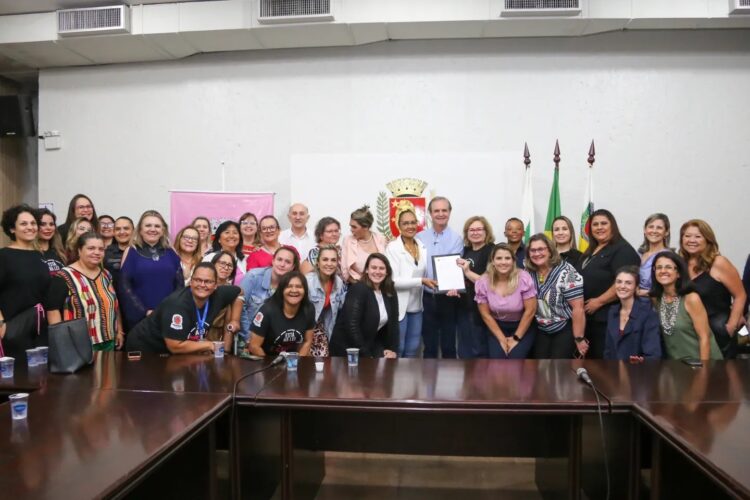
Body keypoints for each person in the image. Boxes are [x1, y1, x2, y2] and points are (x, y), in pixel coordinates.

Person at [126, 263, 243, 355]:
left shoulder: (220, 294)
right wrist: (210, 345)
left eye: (208, 281)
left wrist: (235, 319)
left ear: (216, 285)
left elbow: (240, 293)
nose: (202, 285)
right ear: (191, 282)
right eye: (198, 280)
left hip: (171, 351)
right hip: (144, 348)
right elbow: (175, 346)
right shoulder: (177, 305)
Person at [46, 232, 125, 351]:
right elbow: (53, 311)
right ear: (79, 250)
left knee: (108, 370)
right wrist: (61, 342)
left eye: (101, 249)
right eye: (91, 248)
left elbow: (115, 304)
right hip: (77, 344)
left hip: (109, 341)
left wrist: (119, 330)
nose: (97, 252)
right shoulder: (64, 276)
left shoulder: (106, 274)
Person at [679, 219, 746, 359]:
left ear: (708, 239)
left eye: (698, 236)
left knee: (719, 378)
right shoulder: (680, 263)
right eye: (687, 236)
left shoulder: (719, 262)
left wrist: (731, 326)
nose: (692, 240)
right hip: (691, 335)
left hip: (718, 334)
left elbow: (740, 295)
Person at [578, 209, 640, 359]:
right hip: (589, 318)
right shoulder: (592, 249)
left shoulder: (622, 249)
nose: (599, 227)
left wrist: (599, 302)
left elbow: (623, 282)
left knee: (604, 364)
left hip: (607, 317)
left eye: (604, 223)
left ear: (613, 225)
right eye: (595, 224)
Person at [0, 204, 51, 359]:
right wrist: (2, 324)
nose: (30, 227)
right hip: (14, 328)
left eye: (33, 223)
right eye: (23, 224)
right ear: (12, 229)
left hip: (41, 328)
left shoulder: (39, 255)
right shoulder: (4, 256)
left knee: (41, 377)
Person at [650, 251, 722, 360]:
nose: (663, 271)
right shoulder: (657, 299)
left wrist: (704, 370)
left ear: (678, 273)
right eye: (659, 267)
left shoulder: (691, 298)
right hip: (677, 367)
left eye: (668, 267)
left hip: (703, 364)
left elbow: (704, 337)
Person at [525, 234, 587, 359]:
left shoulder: (567, 272)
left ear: (550, 250)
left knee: (559, 369)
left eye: (541, 249)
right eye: (533, 250)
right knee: (540, 369)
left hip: (564, 328)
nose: (537, 253)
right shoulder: (528, 272)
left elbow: (578, 308)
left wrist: (579, 338)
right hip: (540, 328)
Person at [119, 210, 182, 331]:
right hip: (140, 319)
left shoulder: (171, 252)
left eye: (157, 226)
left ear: (163, 230)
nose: (153, 229)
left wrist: (170, 310)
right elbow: (124, 287)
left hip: (168, 316)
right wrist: (144, 312)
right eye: (148, 225)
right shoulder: (131, 251)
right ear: (140, 230)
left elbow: (179, 286)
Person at [416, 197, 463, 358]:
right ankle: (429, 383)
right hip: (426, 298)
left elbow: (456, 268)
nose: (441, 214)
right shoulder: (419, 237)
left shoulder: (457, 238)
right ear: (430, 213)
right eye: (436, 211)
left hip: (448, 298)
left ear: (450, 212)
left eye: (444, 210)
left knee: (449, 345)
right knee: (429, 346)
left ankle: (448, 384)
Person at [385, 209, 435, 358]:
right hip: (399, 306)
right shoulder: (393, 248)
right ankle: (396, 381)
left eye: (413, 222)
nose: (410, 226)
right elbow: (392, 281)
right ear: (399, 226)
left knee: (413, 348)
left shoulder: (422, 246)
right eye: (405, 223)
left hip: (416, 306)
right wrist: (421, 281)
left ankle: (408, 381)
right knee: (398, 348)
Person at [330, 253, 399, 358]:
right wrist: (367, 355)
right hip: (347, 350)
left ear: (387, 272)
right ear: (367, 270)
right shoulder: (358, 289)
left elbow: (394, 324)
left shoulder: (390, 291)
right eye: (373, 267)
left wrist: (392, 350)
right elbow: (352, 327)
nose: (377, 271)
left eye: (381, 268)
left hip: (368, 346)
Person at [475, 244, 537, 359]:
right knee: (498, 360)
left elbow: (530, 311)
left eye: (507, 258)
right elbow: (485, 314)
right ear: (492, 261)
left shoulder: (524, 278)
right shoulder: (483, 281)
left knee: (515, 359)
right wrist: (502, 339)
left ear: (513, 261)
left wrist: (516, 338)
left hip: (522, 326)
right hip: (497, 327)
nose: (503, 262)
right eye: (499, 258)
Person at [238, 246, 300, 352]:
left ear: (293, 266)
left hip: (274, 343)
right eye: (279, 259)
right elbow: (240, 308)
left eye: (287, 262)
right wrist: (249, 338)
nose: (282, 264)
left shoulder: (293, 286)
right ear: (273, 260)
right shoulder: (253, 276)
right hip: (247, 338)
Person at [455, 216, 494, 358]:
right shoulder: (465, 251)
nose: (475, 232)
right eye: (471, 230)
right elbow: (459, 278)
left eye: (479, 229)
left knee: (479, 351)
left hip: (482, 309)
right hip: (464, 306)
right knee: (464, 351)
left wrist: (467, 272)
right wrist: (454, 287)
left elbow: (489, 282)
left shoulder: (492, 251)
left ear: (486, 232)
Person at [249, 271, 314, 356]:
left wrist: (297, 363)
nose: (294, 290)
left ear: (305, 290)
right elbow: (254, 346)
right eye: (289, 286)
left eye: (299, 287)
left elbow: (307, 341)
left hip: (293, 360)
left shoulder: (308, 309)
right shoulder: (267, 311)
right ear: (282, 290)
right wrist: (271, 366)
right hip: (267, 360)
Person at [603, 266, 662, 361]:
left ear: (636, 287)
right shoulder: (612, 311)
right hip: (614, 372)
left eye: (628, 283)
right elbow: (608, 350)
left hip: (639, 372)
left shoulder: (647, 313)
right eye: (619, 282)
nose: (622, 286)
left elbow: (653, 354)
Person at [305, 245, 346, 357]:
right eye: (325, 259)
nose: (329, 263)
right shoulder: (307, 281)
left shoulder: (338, 282)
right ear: (317, 262)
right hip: (304, 330)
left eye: (333, 260)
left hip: (322, 328)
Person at [341, 205, 387, 284]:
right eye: (351, 226)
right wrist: (363, 287)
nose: (351, 230)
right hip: (357, 286)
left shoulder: (381, 239)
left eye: (354, 227)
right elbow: (345, 273)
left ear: (366, 227)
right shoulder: (347, 241)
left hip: (380, 286)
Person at [637, 213, 671, 296]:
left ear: (666, 232)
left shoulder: (668, 256)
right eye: (651, 227)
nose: (654, 231)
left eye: (659, 228)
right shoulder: (639, 254)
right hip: (635, 303)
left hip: (655, 304)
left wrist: (643, 293)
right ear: (645, 230)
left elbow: (670, 288)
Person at [103, 216, 134, 286]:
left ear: (133, 231)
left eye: (126, 228)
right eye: (118, 229)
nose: (122, 232)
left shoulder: (141, 251)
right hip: (113, 295)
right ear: (113, 232)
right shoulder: (105, 253)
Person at [34, 207, 65, 275]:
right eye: (43, 224)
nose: (48, 228)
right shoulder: (31, 253)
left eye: (51, 224)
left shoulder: (60, 253)